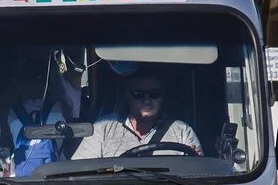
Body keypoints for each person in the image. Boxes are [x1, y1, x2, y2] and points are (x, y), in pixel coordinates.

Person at [72, 64, 202, 159]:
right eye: (139, 94)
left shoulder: (182, 131)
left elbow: (197, 176)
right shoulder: (104, 127)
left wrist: (196, 161)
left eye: (154, 94)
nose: (147, 100)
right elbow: (79, 171)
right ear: (127, 95)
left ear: (163, 95)